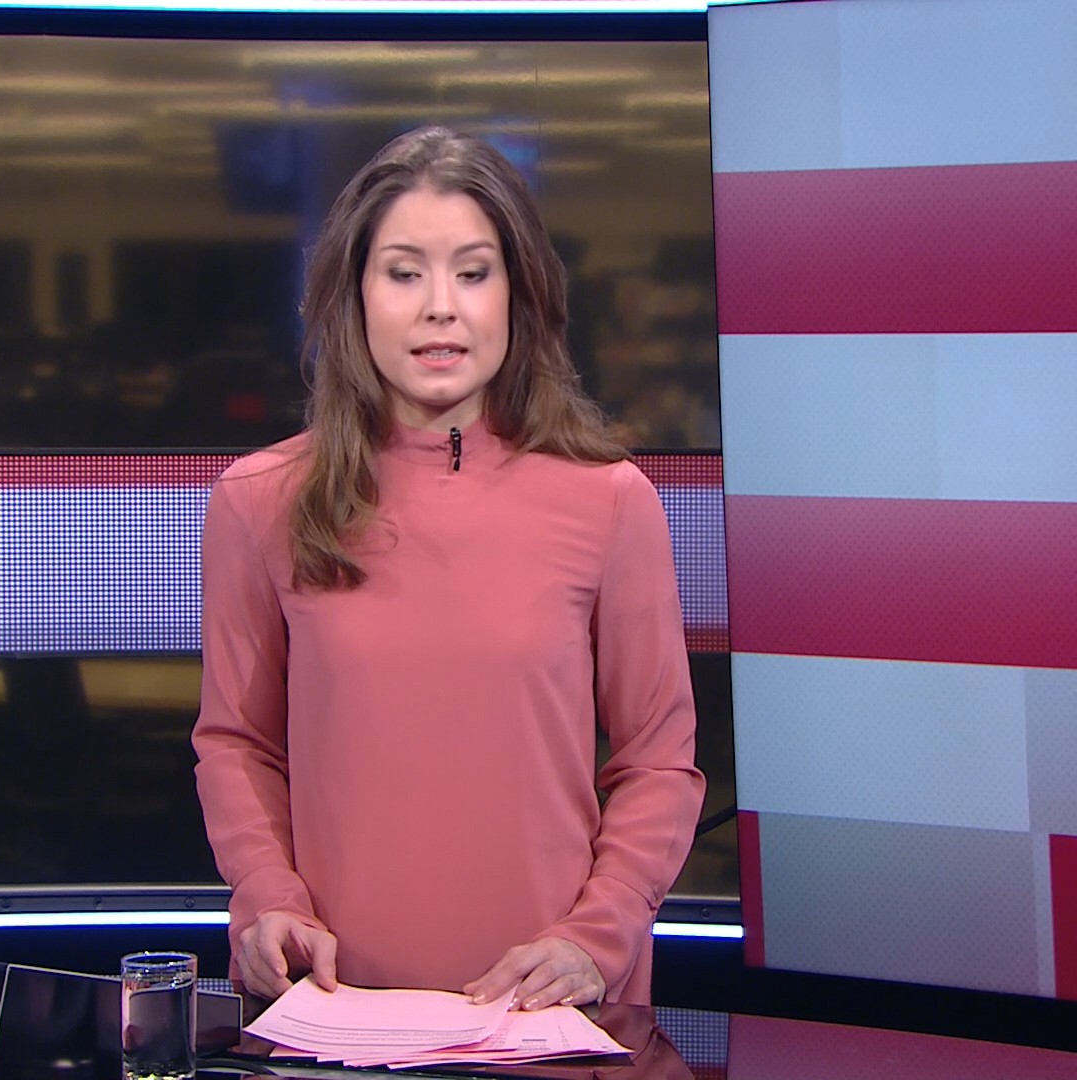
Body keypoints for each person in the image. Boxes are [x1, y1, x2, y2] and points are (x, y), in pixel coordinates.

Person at [191, 126, 704, 1013]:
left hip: (551, 1013)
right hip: (333, 1010)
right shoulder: (260, 500)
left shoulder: (611, 501)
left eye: (473, 272)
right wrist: (267, 898)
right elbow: (237, 742)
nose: (441, 308)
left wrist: (598, 934)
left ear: (518, 293)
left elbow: (658, 762)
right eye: (404, 273)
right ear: (354, 296)